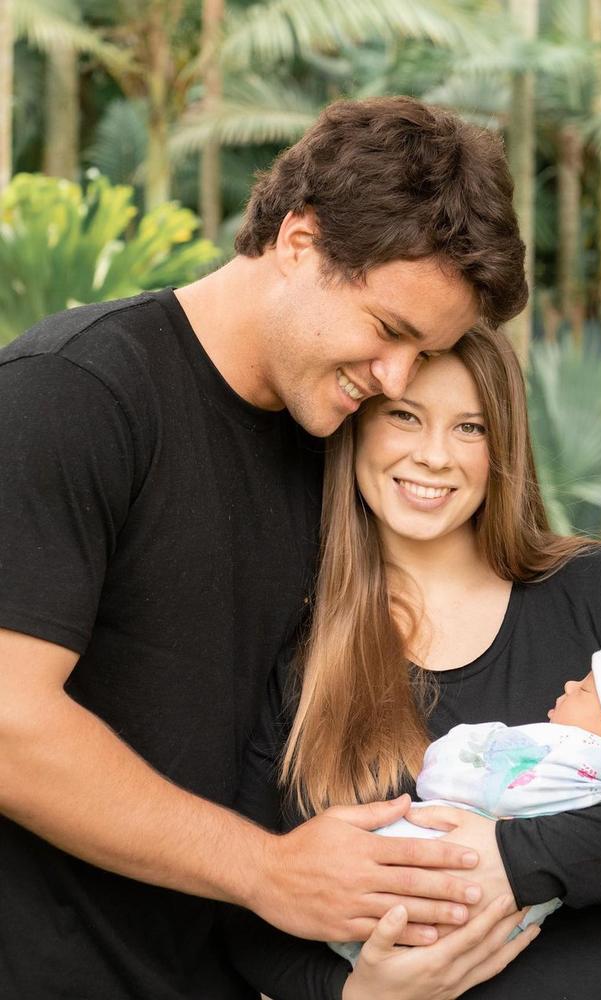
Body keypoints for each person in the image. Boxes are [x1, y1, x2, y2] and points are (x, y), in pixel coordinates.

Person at [0, 98, 529, 999]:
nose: (395, 380)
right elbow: (9, 725)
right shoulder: (76, 393)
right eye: (391, 331)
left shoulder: (343, 441)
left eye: (427, 352)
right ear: (298, 242)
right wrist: (270, 873)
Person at [235, 324, 601, 999]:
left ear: (503, 447)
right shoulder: (294, 648)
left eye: (471, 428)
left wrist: (515, 861)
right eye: (405, 416)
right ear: (357, 426)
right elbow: (246, 911)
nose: (434, 455)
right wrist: (354, 995)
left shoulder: (597, 589)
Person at [332, 641, 601, 964]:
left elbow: (456, 772)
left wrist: (443, 755)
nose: (569, 685)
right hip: (489, 931)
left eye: (585, 690)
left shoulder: (573, 752)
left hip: (427, 871)